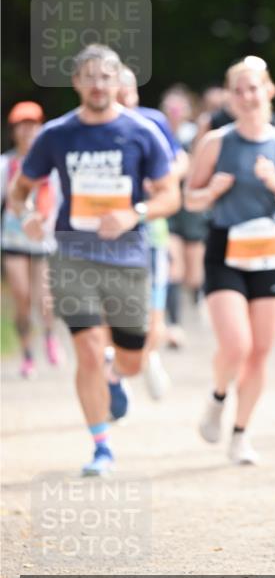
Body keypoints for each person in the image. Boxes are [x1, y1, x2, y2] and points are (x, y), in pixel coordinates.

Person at [9, 44, 179, 476]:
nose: (99, 85)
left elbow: (169, 196)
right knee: (86, 348)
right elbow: (19, 190)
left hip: (127, 257)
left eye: (107, 77)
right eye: (90, 76)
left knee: (132, 357)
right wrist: (28, 217)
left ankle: (116, 374)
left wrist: (133, 213)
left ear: (118, 82)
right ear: (77, 82)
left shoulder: (143, 132)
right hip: (73, 255)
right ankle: (101, 446)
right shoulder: (57, 134)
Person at [185, 57, 275, 464]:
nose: (246, 96)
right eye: (238, 90)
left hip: (269, 250)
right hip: (226, 247)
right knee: (236, 345)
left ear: (268, 90)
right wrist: (213, 192)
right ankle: (218, 397)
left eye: (253, 88)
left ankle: (240, 433)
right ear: (229, 97)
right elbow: (190, 198)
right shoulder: (215, 142)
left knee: (259, 351)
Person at [118, 67, 188, 399]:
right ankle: (118, 370)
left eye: (126, 92)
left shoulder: (152, 122)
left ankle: (148, 356)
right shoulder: (88, 130)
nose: (121, 99)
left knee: (153, 312)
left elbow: (180, 161)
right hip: (105, 238)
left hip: (150, 231)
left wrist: (161, 181)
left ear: (135, 93)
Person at [1, 101, 60, 377]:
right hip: (13, 239)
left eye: (32, 125)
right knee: (21, 298)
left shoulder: (52, 165)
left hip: (43, 240)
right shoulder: (5, 165)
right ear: (14, 130)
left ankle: (49, 334)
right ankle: (27, 353)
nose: (27, 131)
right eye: (22, 126)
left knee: (45, 298)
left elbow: (60, 202)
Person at [160, 84, 205, 348]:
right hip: (169, 207)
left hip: (192, 208)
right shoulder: (157, 133)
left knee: (193, 275)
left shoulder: (195, 134)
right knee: (172, 268)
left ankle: (199, 294)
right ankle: (174, 325)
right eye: (170, 108)